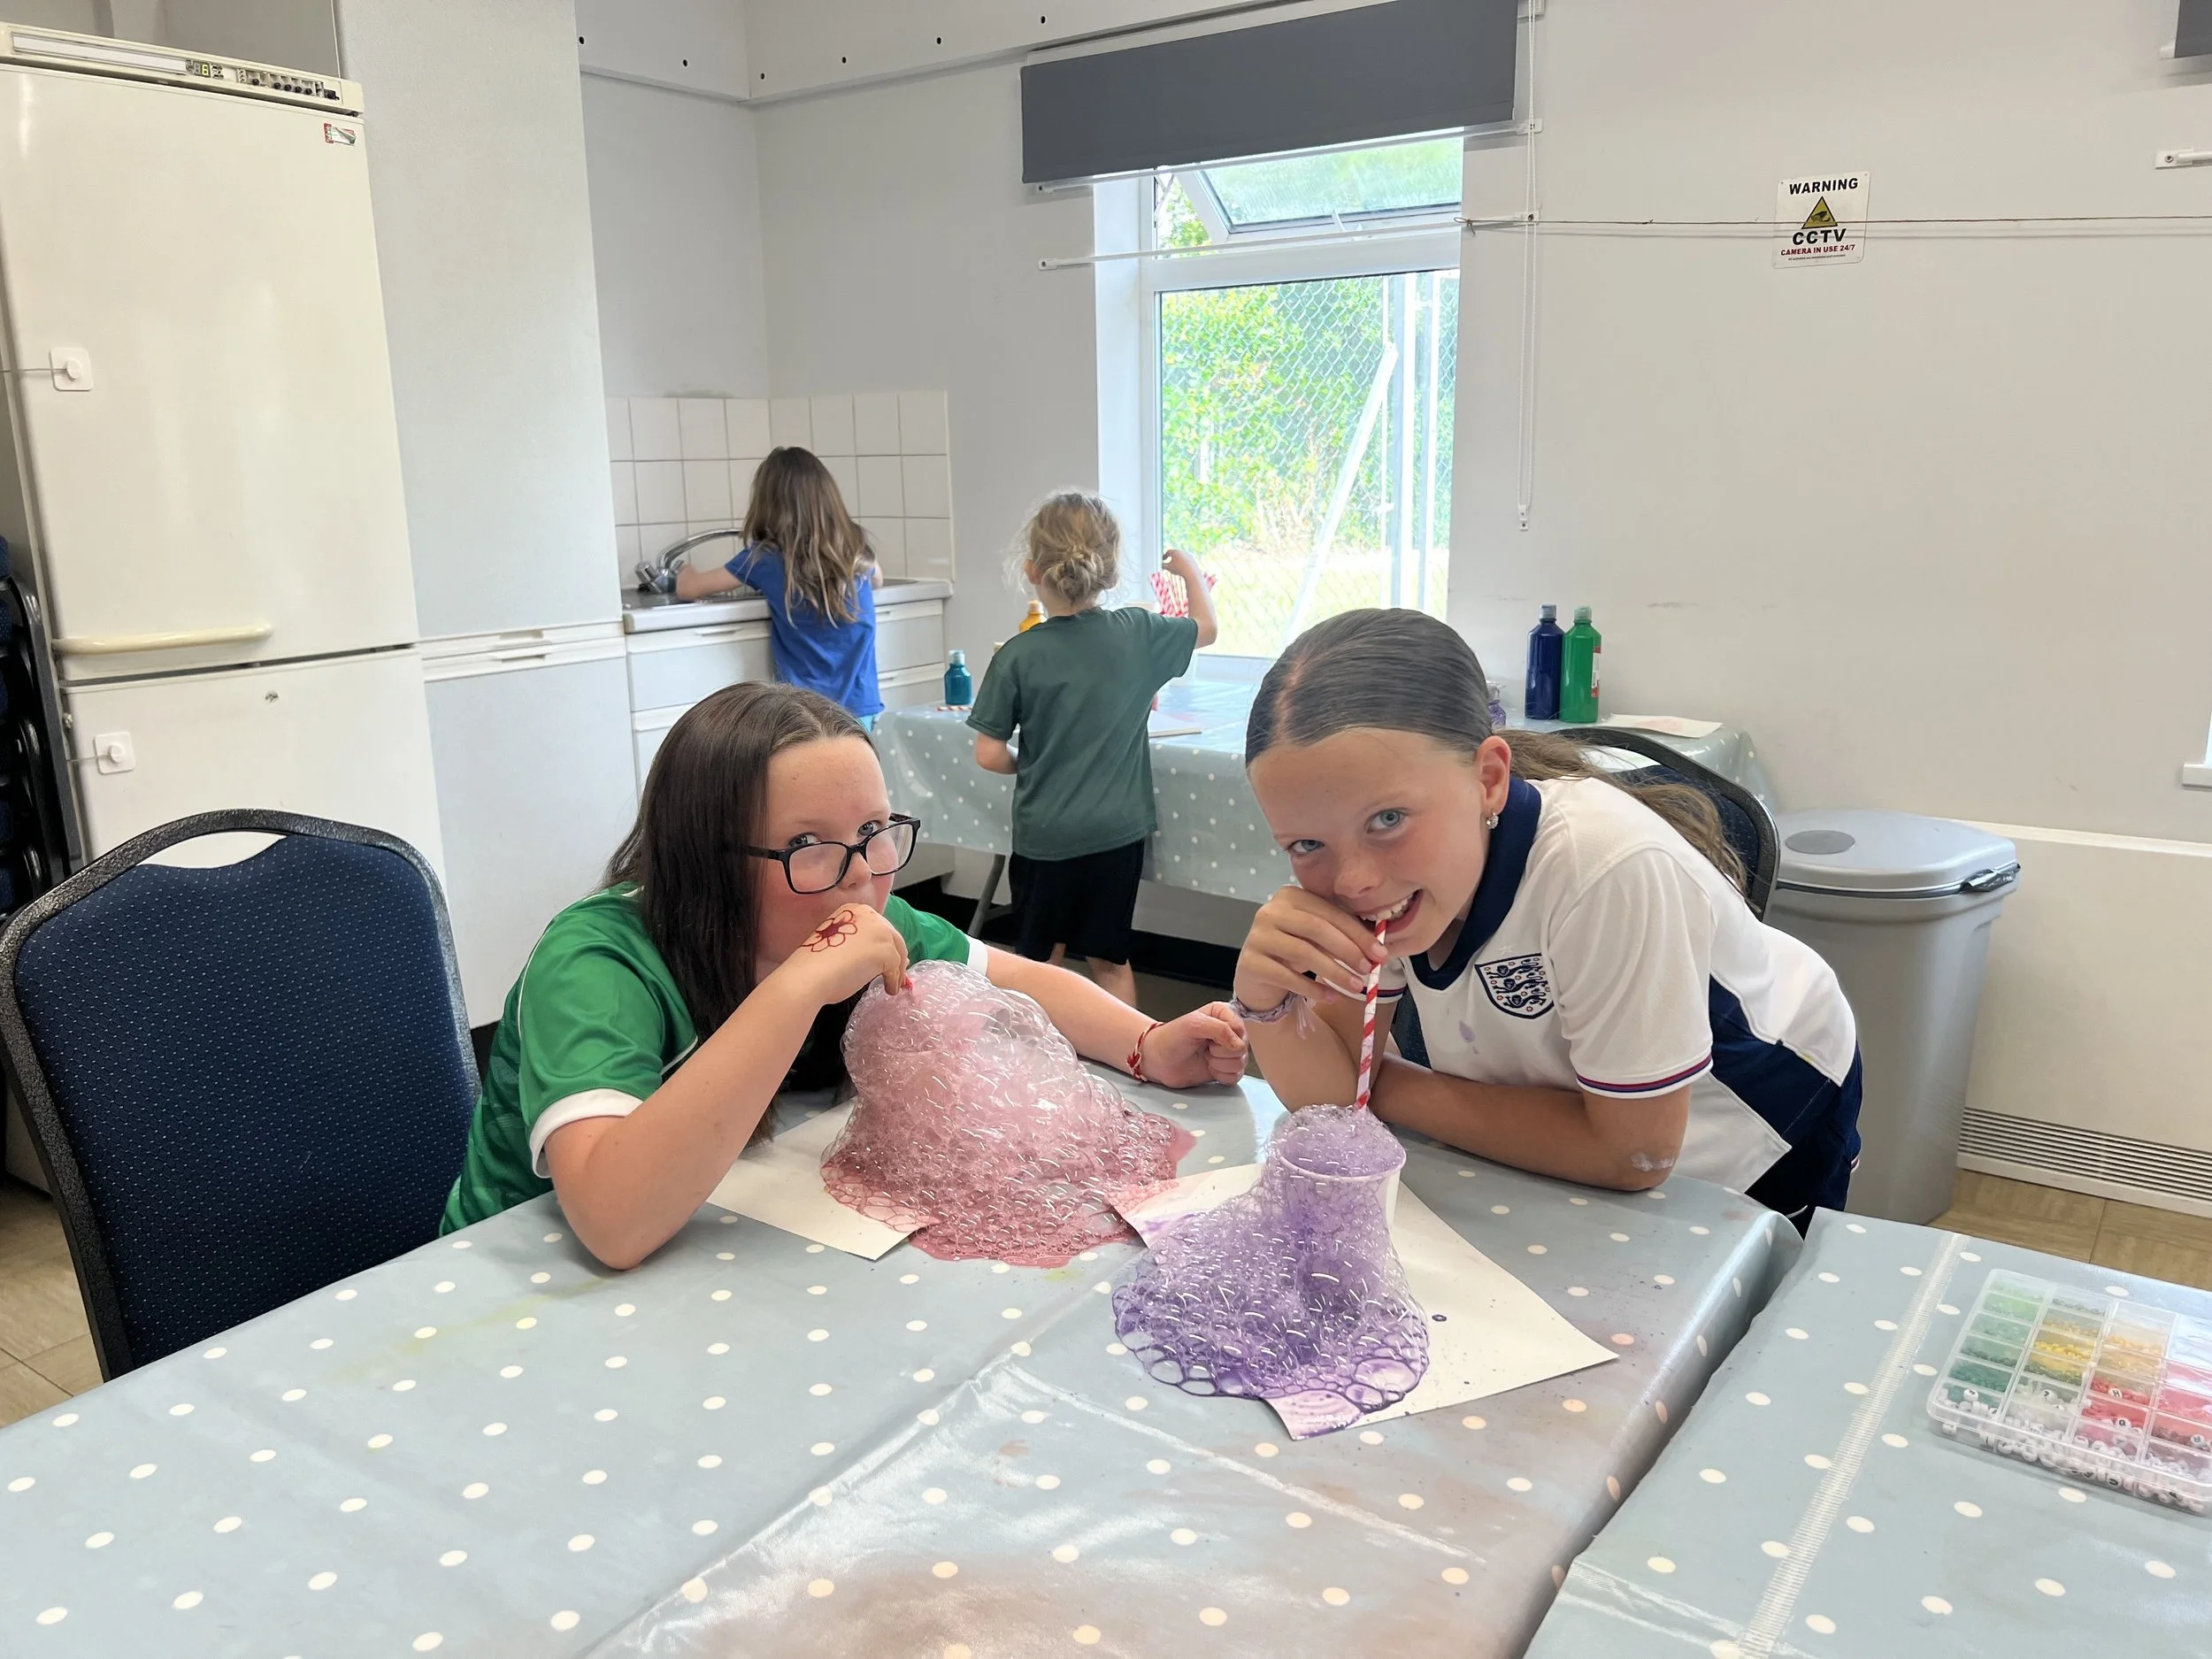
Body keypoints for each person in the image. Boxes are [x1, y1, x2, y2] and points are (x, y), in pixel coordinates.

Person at [442, 681, 1247, 1268]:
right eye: (808, 846)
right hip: (512, 1279)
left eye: (875, 831)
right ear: (705, 864)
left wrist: (1149, 1043)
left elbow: (1023, 978)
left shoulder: (850, 899)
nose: (862, 877)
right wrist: (796, 987)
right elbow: (614, 1221)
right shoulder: (598, 961)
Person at [1231, 609, 1860, 1229]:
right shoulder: (1380, 876)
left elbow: (1634, 1153)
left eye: (1389, 819)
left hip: (1757, 1107)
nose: (1352, 881)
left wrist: (1379, 1089)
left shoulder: (1605, 869)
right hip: (1564, 1111)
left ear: (1489, 779)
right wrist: (1264, 1004)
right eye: (1305, 845)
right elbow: (1334, 1096)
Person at [968, 491, 1219, 1007]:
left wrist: (1030, 765)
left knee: (1040, 963)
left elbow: (989, 754)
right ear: (1108, 569)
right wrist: (1190, 572)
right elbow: (1208, 630)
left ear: (1032, 570)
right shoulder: (1138, 632)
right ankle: (1132, 1057)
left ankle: (1030, 1060)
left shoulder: (1018, 655)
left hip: (1047, 837)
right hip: (1116, 835)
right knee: (1111, 959)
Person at [676, 448, 883, 729]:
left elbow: (689, 589)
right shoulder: (855, 549)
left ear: (768, 505)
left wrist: (685, 570)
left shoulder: (766, 558)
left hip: (804, 714)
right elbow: (878, 579)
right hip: (862, 708)